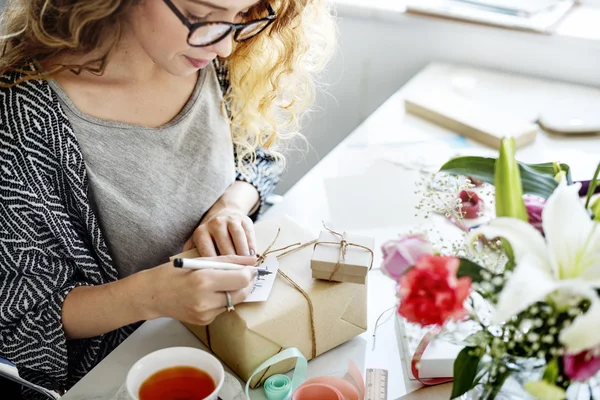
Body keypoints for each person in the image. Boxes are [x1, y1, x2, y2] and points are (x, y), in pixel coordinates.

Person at [0, 0, 335, 396]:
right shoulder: (22, 123)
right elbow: (23, 319)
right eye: (203, 15)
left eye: (244, 15)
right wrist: (150, 297)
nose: (226, 44)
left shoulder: (212, 58)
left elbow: (257, 156)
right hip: (136, 373)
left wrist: (229, 206)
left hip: (242, 345)